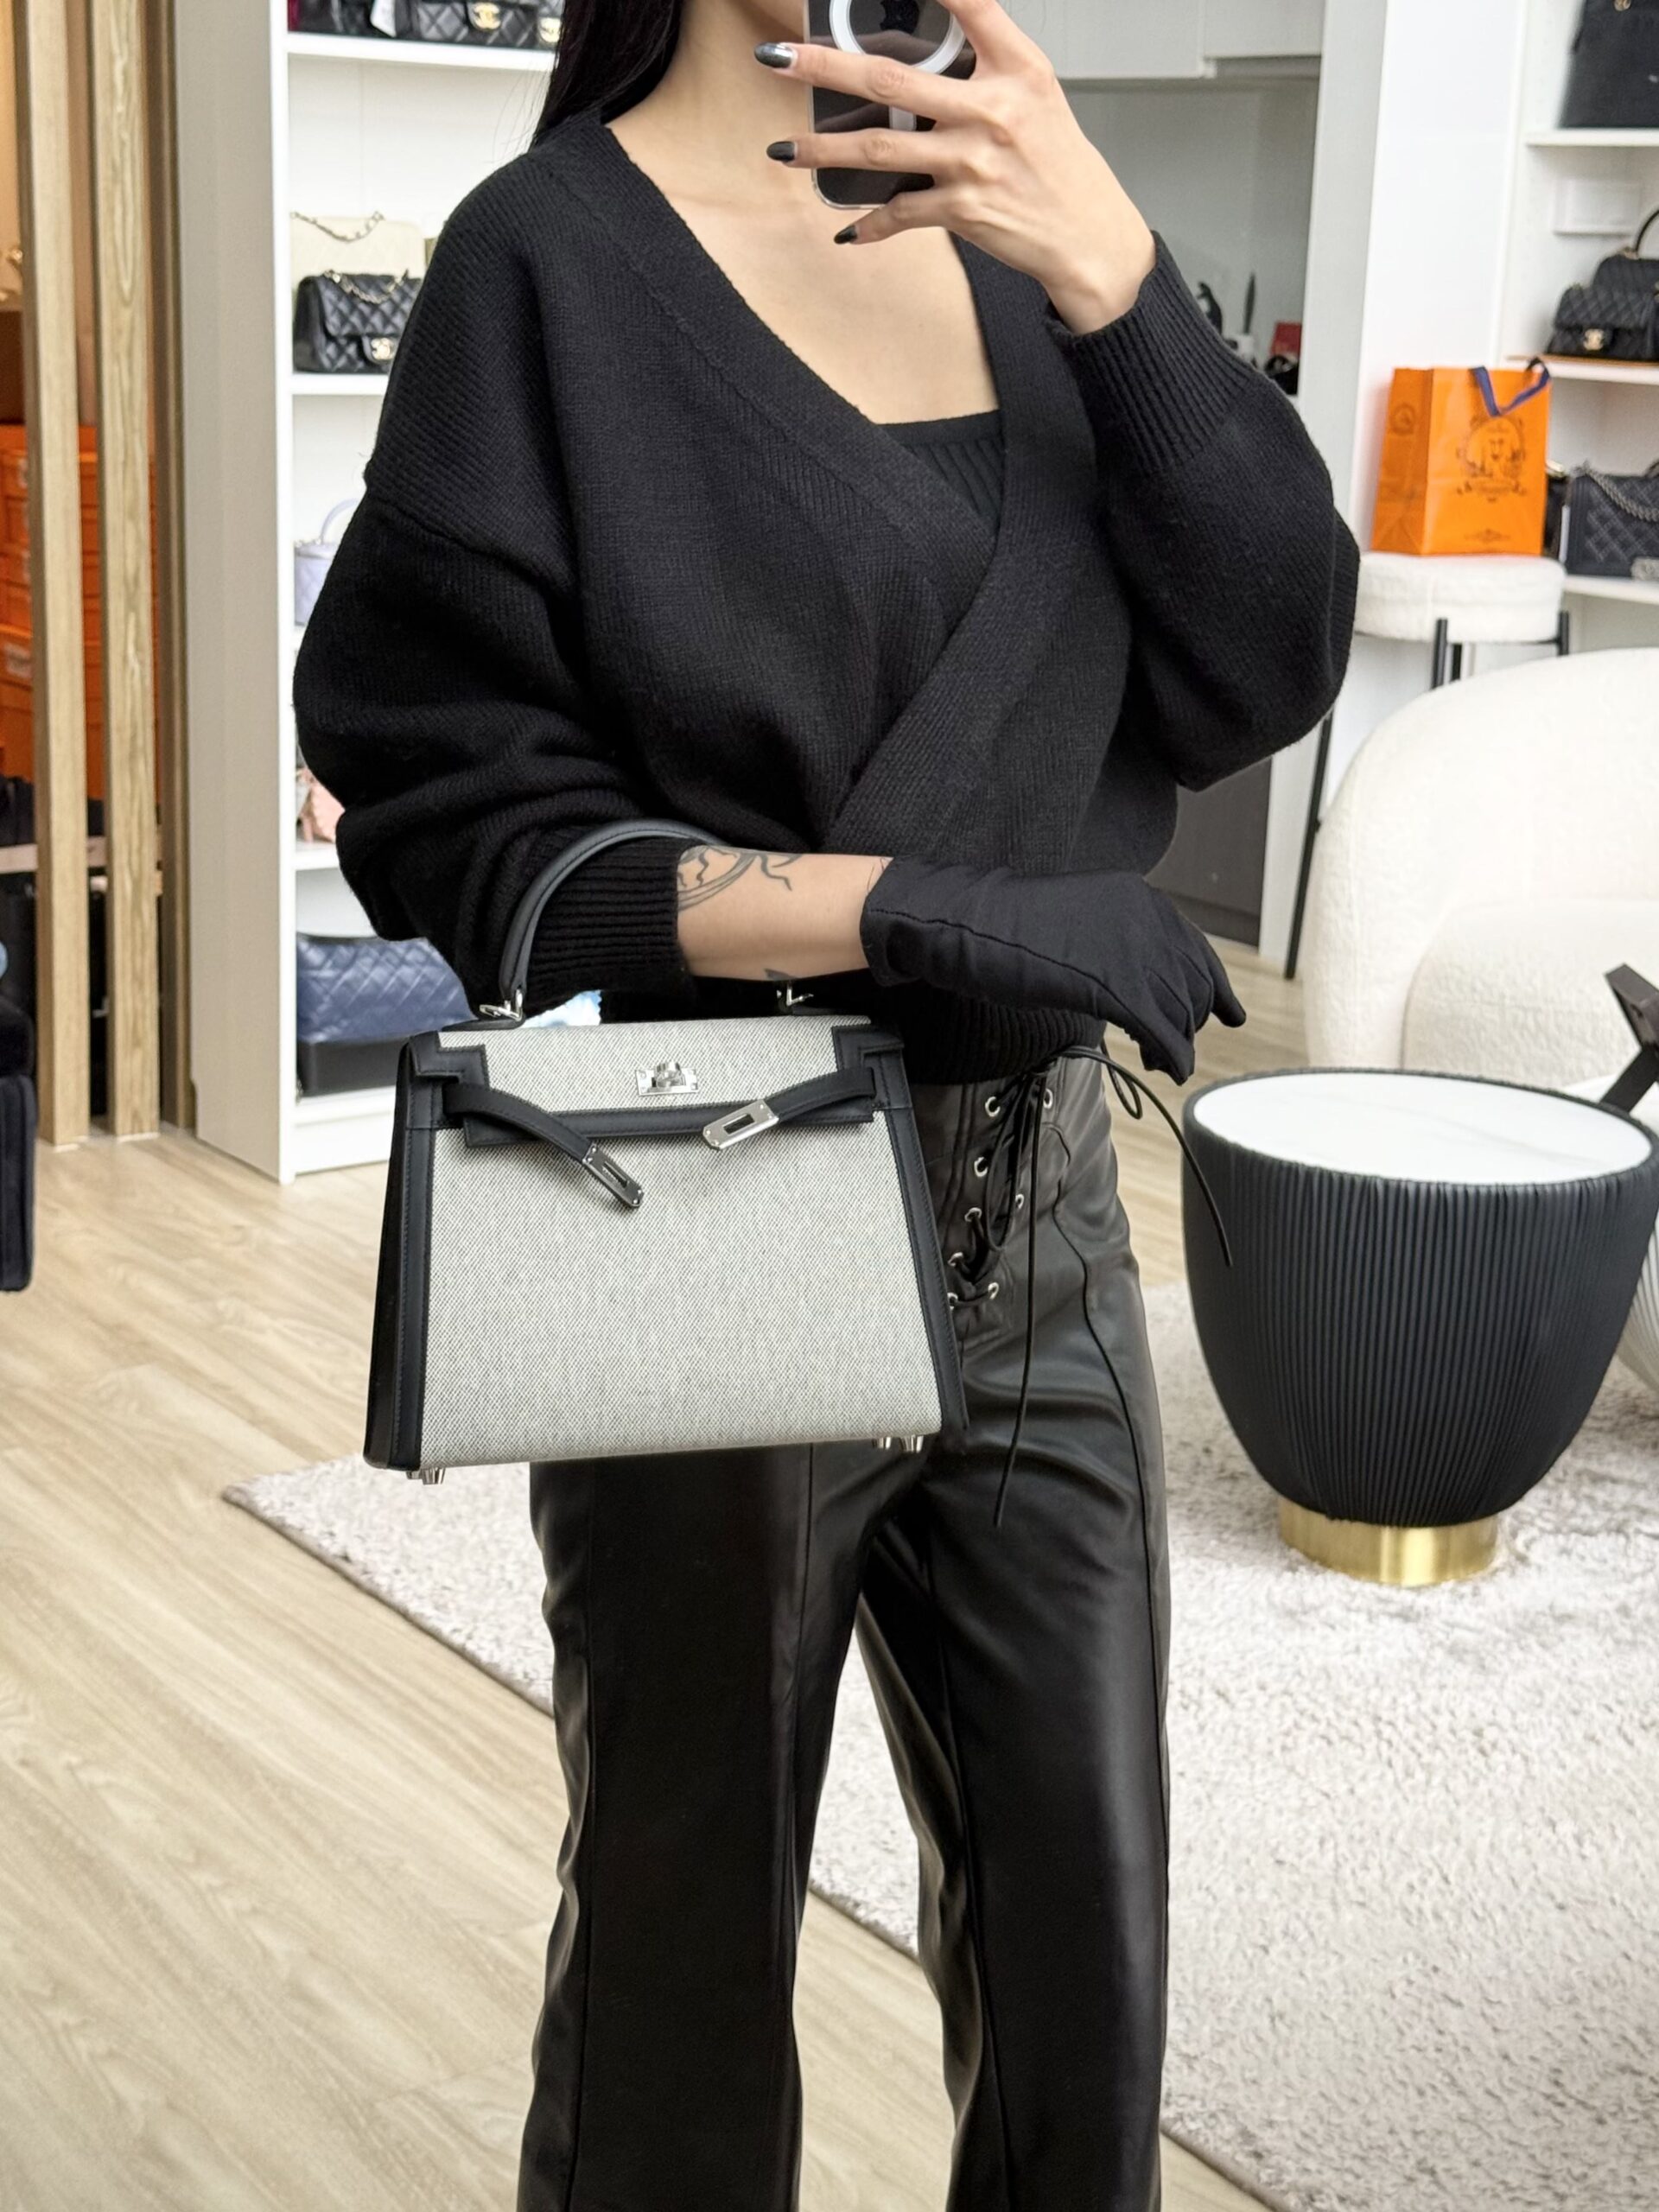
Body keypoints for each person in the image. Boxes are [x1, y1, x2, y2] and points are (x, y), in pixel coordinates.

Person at [294, 0, 1358, 2202]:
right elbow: (455, 810)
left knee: (1088, 1970)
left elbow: (1267, 662)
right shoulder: (545, 264)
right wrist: (903, 906)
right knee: (677, 1981)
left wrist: (1117, 277)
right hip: (715, 1193)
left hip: (1041, 1217)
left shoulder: (1035, 243)